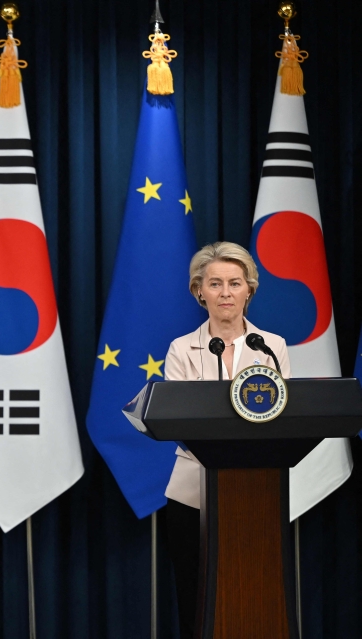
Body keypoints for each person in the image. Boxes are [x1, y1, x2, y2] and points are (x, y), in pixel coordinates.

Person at [163, 241, 290, 638]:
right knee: (196, 599)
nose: (225, 293)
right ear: (199, 291)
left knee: (255, 597)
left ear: (249, 289)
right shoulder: (182, 349)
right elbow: (180, 424)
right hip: (192, 495)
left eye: (235, 283)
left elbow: (282, 420)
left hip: (258, 492)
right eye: (214, 284)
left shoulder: (272, 348)